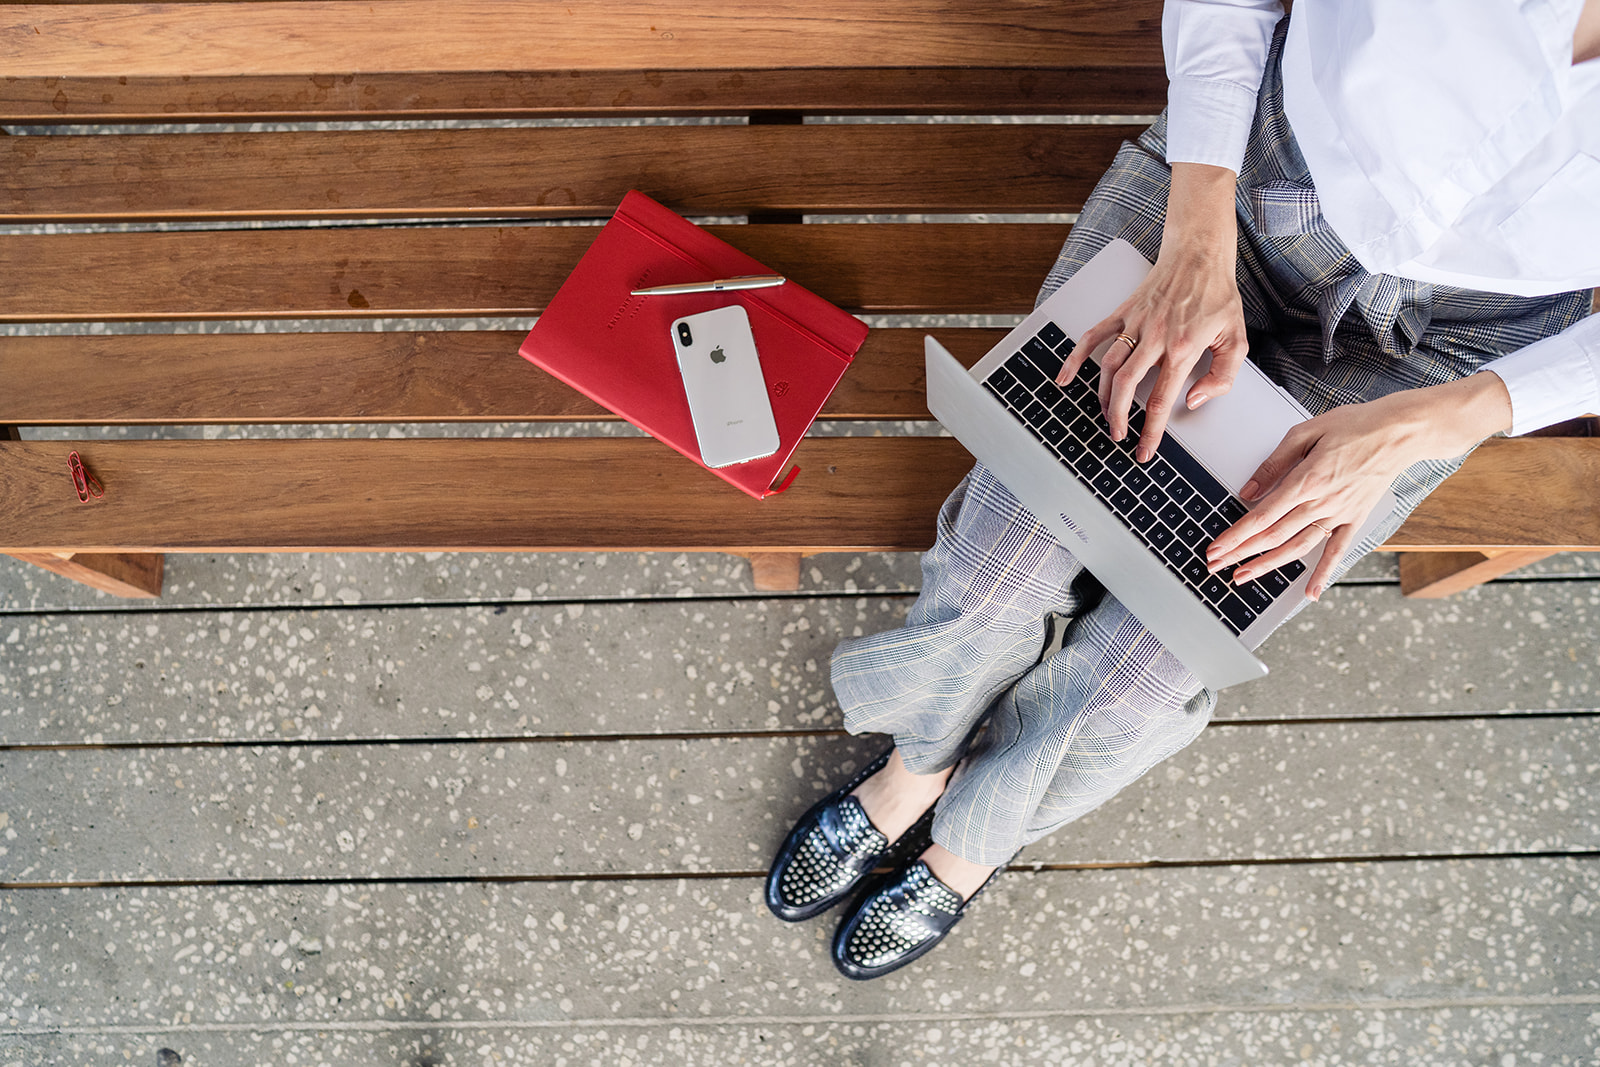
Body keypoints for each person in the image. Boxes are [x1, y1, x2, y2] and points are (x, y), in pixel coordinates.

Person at [767, 0, 1600, 980]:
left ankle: (971, 841)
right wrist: (1197, 224)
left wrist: (1445, 420)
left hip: (1448, 360)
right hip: (1243, 178)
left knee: (1147, 667)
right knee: (1000, 565)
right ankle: (916, 768)